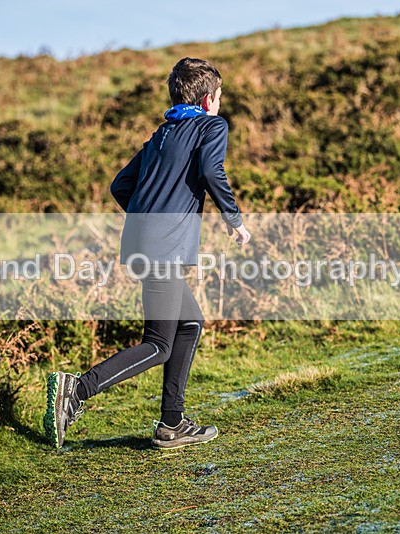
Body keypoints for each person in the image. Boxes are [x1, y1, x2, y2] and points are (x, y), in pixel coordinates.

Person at [44, 57, 251, 449]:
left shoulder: (161, 134)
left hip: (142, 244)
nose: (221, 104)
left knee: (189, 323)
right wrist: (234, 220)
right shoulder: (211, 126)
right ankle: (76, 391)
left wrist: (148, 222)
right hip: (164, 251)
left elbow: (121, 185)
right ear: (208, 99)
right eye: (220, 96)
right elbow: (211, 171)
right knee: (159, 343)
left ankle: (172, 424)